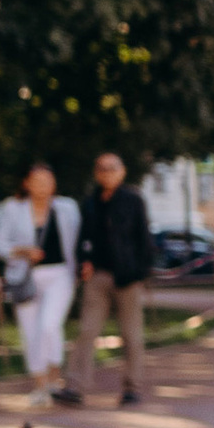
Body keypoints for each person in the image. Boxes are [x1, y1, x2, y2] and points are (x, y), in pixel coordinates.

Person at [70, 152, 154, 405]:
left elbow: (144, 239)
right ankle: (74, 386)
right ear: (96, 173)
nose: (106, 173)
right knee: (87, 331)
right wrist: (84, 260)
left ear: (122, 171)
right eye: (102, 168)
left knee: (131, 335)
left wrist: (139, 273)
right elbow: (83, 238)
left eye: (112, 168)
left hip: (127, 277)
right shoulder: (91, 202)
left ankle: (132, 387)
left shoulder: (132, 200)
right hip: (98, 276)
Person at [0, 164, 81, 410]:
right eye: (37, 180)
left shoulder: (67, 208)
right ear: (27, 183)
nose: (43, 185)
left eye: (47, 180)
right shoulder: (13, 209)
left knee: (49, 325)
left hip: (60, 274)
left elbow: (80, 239)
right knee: (31, 331)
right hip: (26, 276)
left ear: (54, 183)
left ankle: (55, 377)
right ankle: (40, 385)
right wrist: (22, 251)